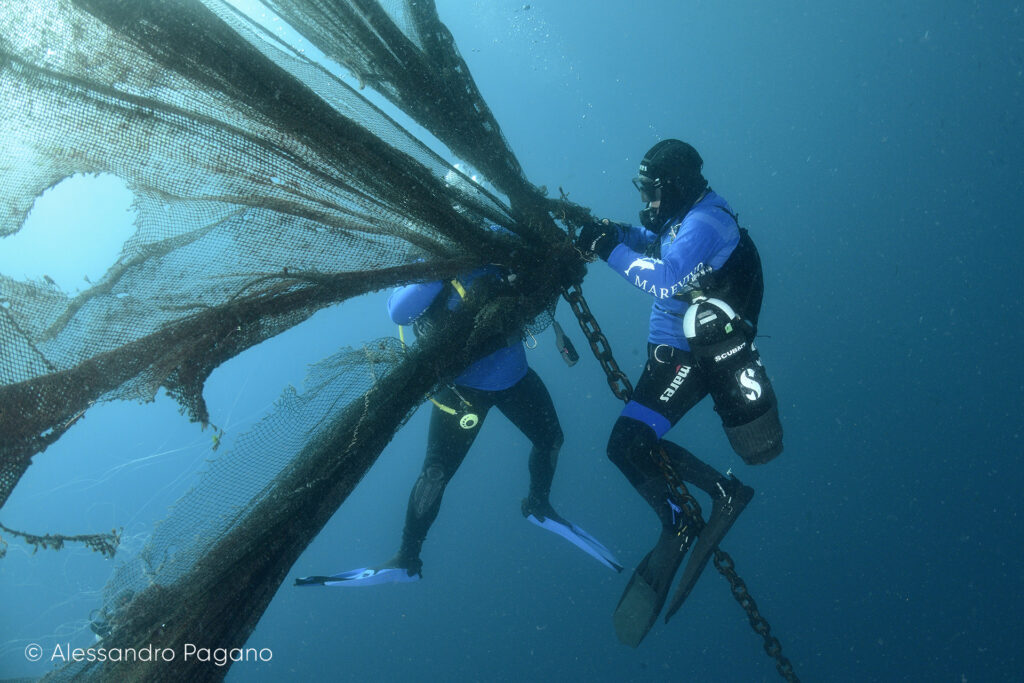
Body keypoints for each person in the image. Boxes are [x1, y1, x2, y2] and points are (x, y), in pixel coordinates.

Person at [296, 262, 621, 588]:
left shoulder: (494, 250)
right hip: (461, 393)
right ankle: (407, 557)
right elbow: (399, 312)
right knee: (435, 473)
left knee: (551, 439)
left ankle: (539, 503)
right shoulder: (429, 270)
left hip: (514, 377)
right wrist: (441, 270)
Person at [575, 139, 783, 646]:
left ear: (674, 187)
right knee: (632, 443)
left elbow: (667, 279)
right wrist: (616, 233)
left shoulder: (707, 224)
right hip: (675, 357)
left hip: (690, 361)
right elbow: (655, 240)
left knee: (625, 446)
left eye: (651, 190)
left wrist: (605, 248)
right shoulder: (685, 216)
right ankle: (713, 497)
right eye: (641, 190)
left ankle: (692, 514)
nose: (646, 200)